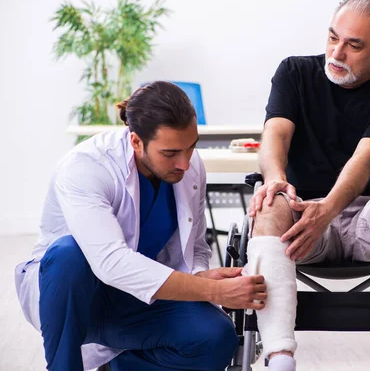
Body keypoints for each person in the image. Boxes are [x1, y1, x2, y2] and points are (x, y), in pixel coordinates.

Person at [14, 81, 267, 371]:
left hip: (137, 299)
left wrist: (202, 276)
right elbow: (111, 263)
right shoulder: (86, 166)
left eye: (191, 147)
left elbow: (195, 245)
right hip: (76, 302)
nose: (185, 163)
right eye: (170, 153)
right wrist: (211, 292)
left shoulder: (188, 164)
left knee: (216, 336)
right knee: (68, 253)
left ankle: (118, 366)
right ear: (136, 141)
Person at [245, 0, 370, 371]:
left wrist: (328, 210)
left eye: (353, 45)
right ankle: (279, 355)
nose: (337, 52)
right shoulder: (294, 73)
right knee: (269, 200)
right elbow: (275, 136)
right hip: (301, 219)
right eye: (333, 38)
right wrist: (277, 182)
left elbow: (363, 162)